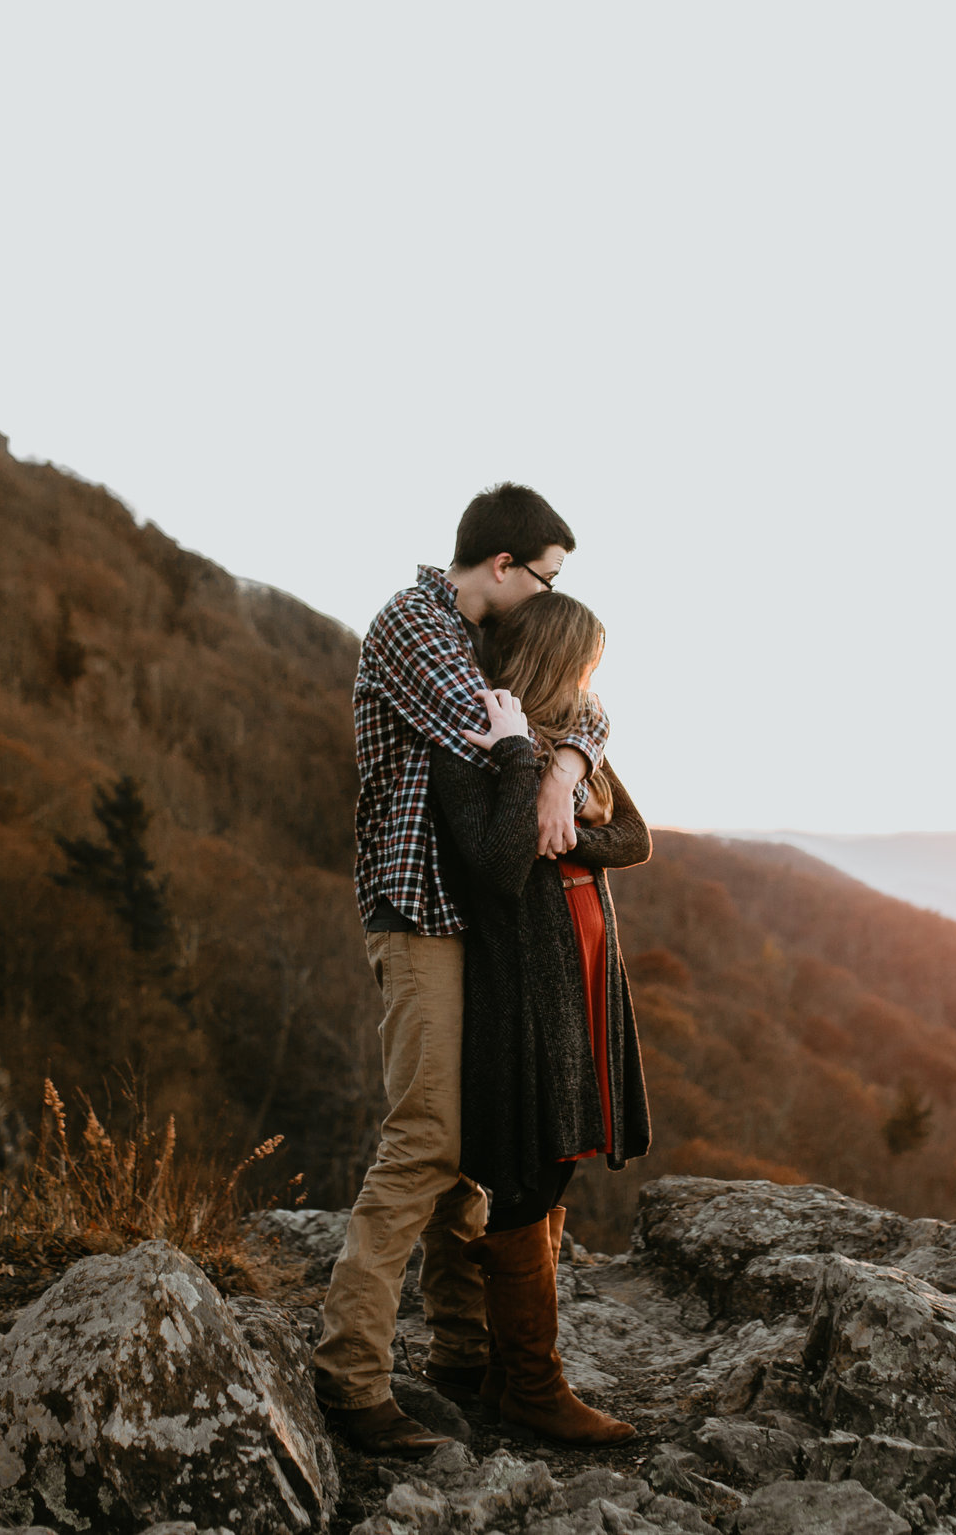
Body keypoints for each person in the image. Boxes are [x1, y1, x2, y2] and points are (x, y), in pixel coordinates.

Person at [315, 484, 609, 1456]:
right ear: (502, 565)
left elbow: (578, 709)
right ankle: (348, 1375)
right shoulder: (416, 626)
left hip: (472, 917)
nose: (551, 592)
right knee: (425, 1141)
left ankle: (460, 1351)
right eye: (548, 575)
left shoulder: (474, 637)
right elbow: (498, 731)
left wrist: (563, 764)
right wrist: (549, 744)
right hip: (421, 912)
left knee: (467, 1141)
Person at [430, 591, 650, 1445]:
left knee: (561, 1158)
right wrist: (530, 769)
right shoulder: (476, 739)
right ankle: (531, 1383)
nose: (592, 679)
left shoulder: (577, 735)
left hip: (589, 970)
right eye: (585, 662)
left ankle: (505, 1369)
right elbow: (490, 867)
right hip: (524, 974)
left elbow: (633, 837)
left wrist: (565, 826)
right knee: (529, 1162)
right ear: (556, 659)